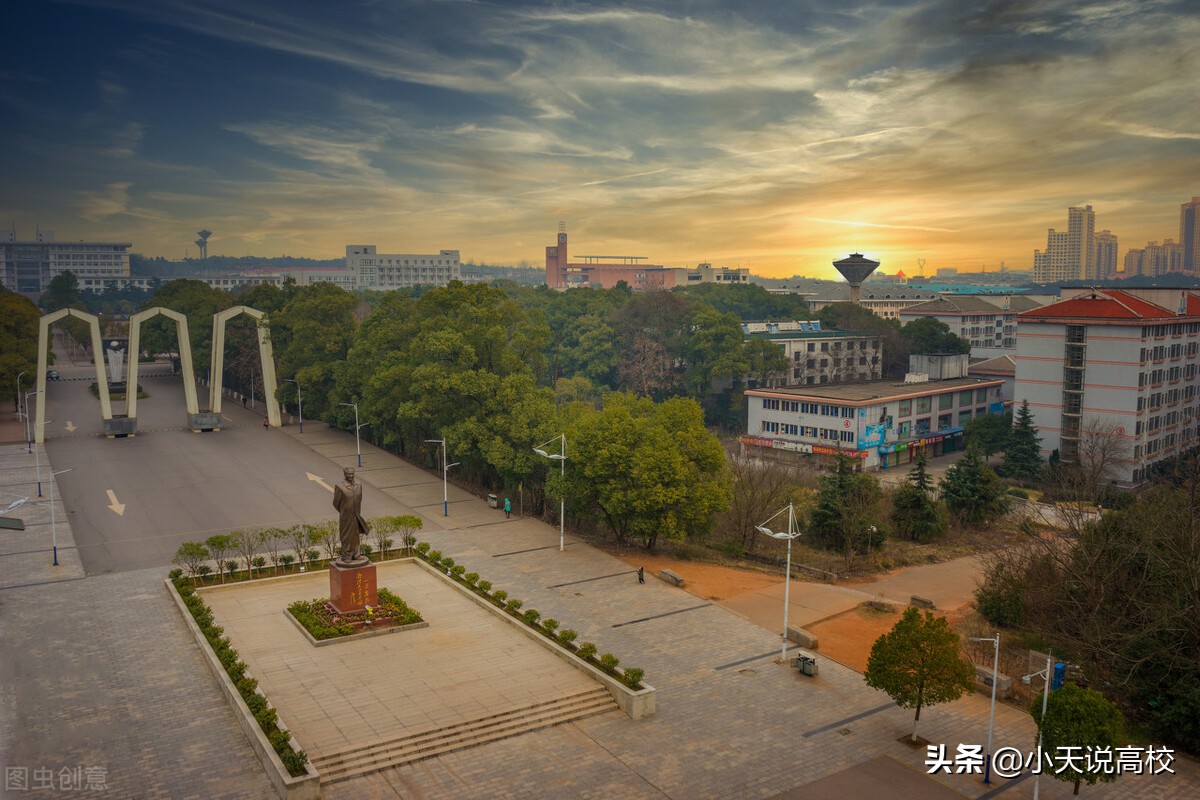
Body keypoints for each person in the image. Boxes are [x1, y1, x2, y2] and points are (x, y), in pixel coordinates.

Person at [333, 466, 369, 565]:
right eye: (348, 474)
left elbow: (359, 499)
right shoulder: (340, 486)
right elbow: (336, 503)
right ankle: (346, 556)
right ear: (345, 474)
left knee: (355, 535)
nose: (351, 476)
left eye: (352, 474)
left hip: (356, 515)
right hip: (346, 517)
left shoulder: (359, 485)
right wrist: (345, 511)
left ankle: (356, 555)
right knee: (346, 536)